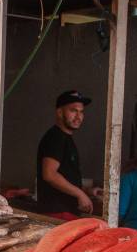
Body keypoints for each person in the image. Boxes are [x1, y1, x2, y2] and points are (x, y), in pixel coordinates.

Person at [36, 90, 94, 218]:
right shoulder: (56, 137)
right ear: (60, 112)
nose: (78, 116)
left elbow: (66, 177)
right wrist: (80, 194)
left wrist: (88, 191)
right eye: (73, 111)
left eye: (81, 112)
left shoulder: (66, 138)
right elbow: (49, 175)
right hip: (57, 213)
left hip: (66, 212)